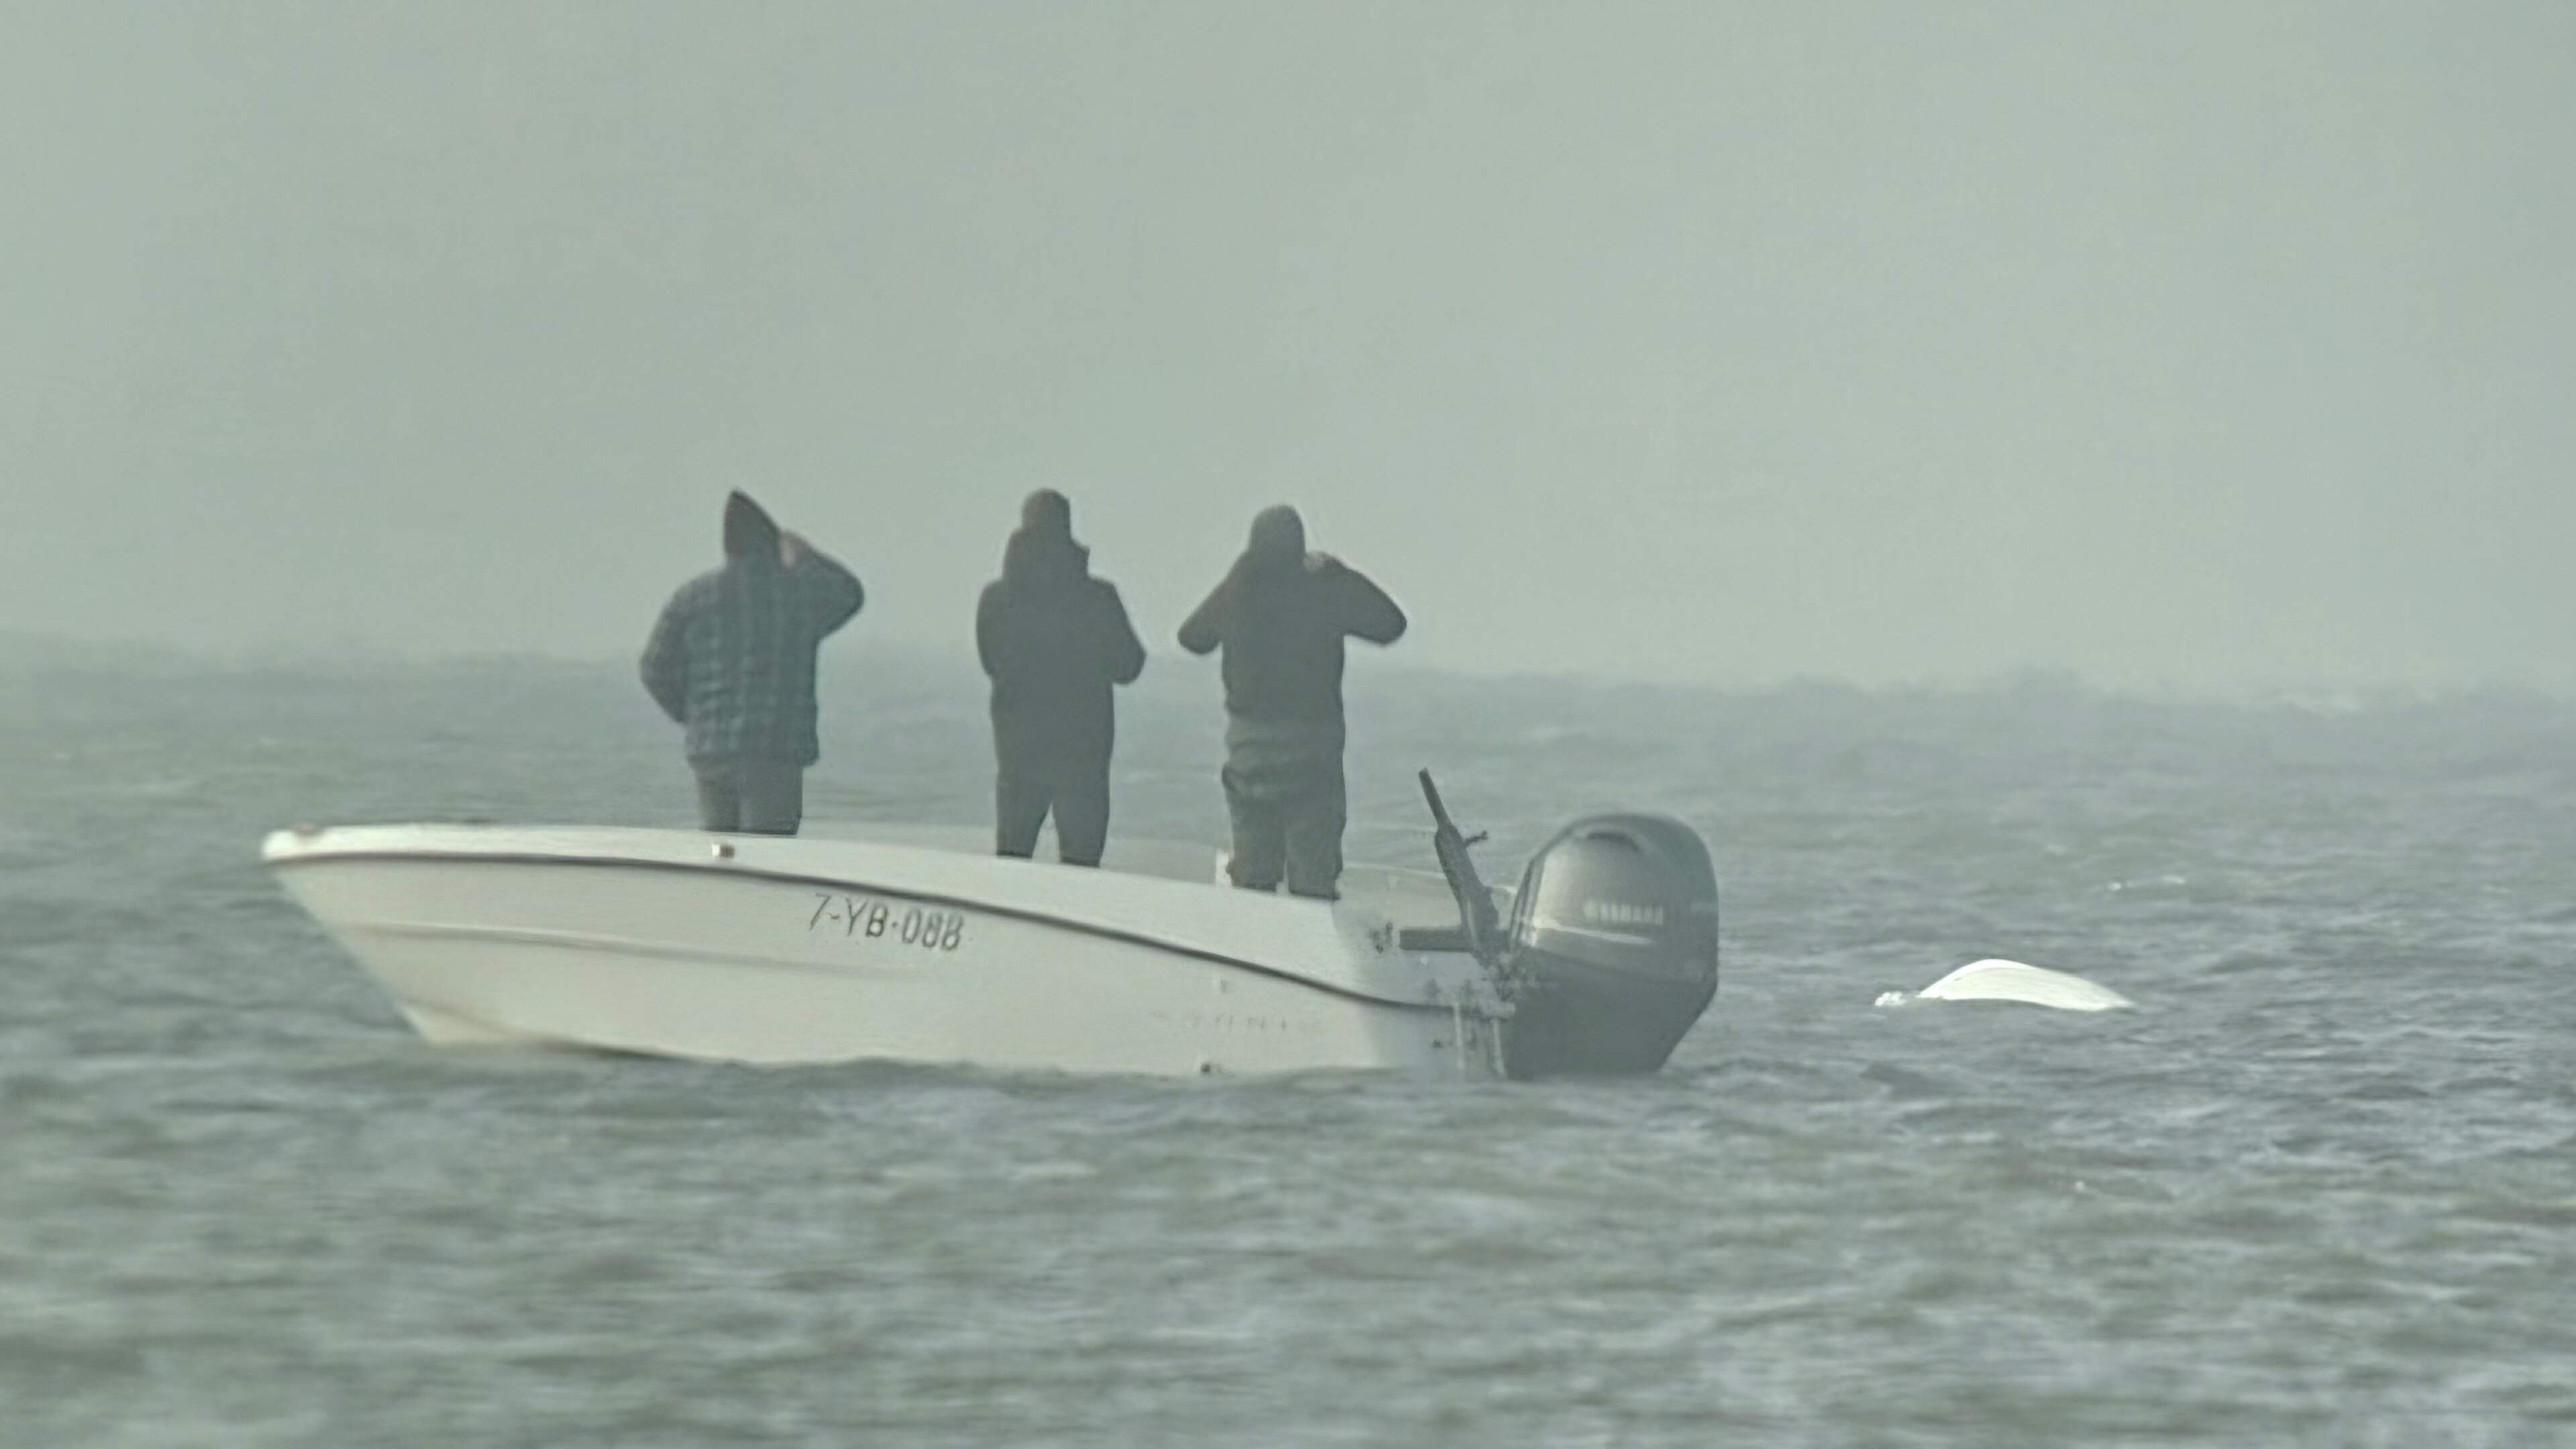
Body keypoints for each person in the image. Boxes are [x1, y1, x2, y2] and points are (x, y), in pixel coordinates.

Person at [1177, 505, 1406, 899]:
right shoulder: (1324, 589)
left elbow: (1192, 638)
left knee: (1253, 875)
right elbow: (1391, 625)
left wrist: (1237, 577)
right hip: (1311, 753)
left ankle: (1251, 949)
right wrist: (1341, 574)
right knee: (1314, 878)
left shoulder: (1240, 587)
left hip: (1250, 754)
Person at [640, 491, 864, 835]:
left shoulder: (692, 598)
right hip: (774, 750)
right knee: (770, 858)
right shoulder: (800, 593)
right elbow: (850, 593)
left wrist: (693, 717)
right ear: (772, 545)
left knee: (721, 856)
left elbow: (654, 669)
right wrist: (804, 555)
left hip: (710, 753)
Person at [976, 490, 1147, 865]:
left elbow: (991, 663)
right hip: (1083, 753)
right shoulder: (1099, 598)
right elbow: (1130, 666)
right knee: (1082, 867)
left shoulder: (996, 599)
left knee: (1012, 863)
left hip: (1018, 752)